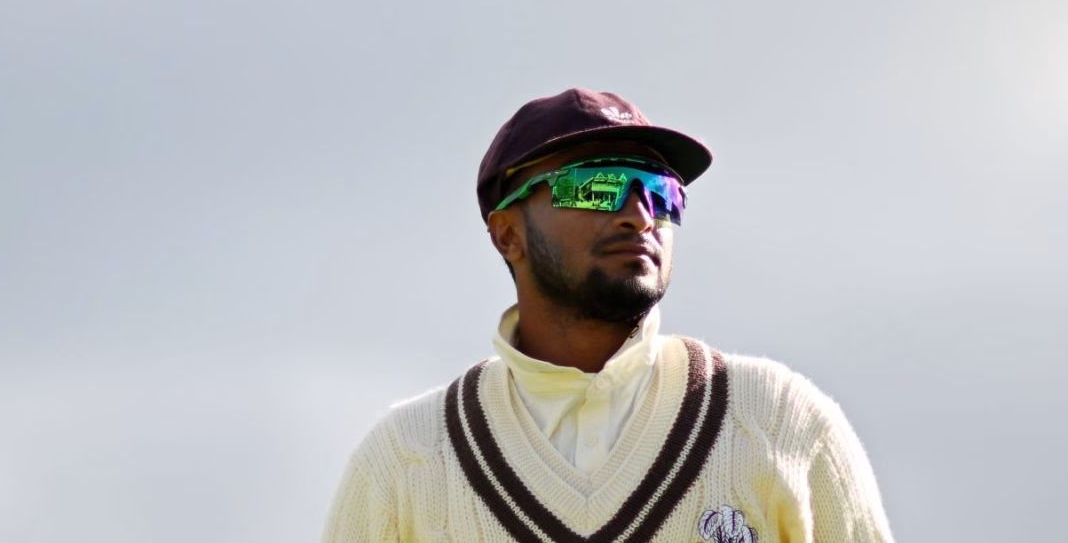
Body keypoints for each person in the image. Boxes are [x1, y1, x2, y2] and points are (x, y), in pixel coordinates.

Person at [323, 88, 894, 542]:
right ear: (507, 234)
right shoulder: (404, 461)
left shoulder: (780, 422)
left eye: (661, 192)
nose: (639, 215)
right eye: (598, 187)